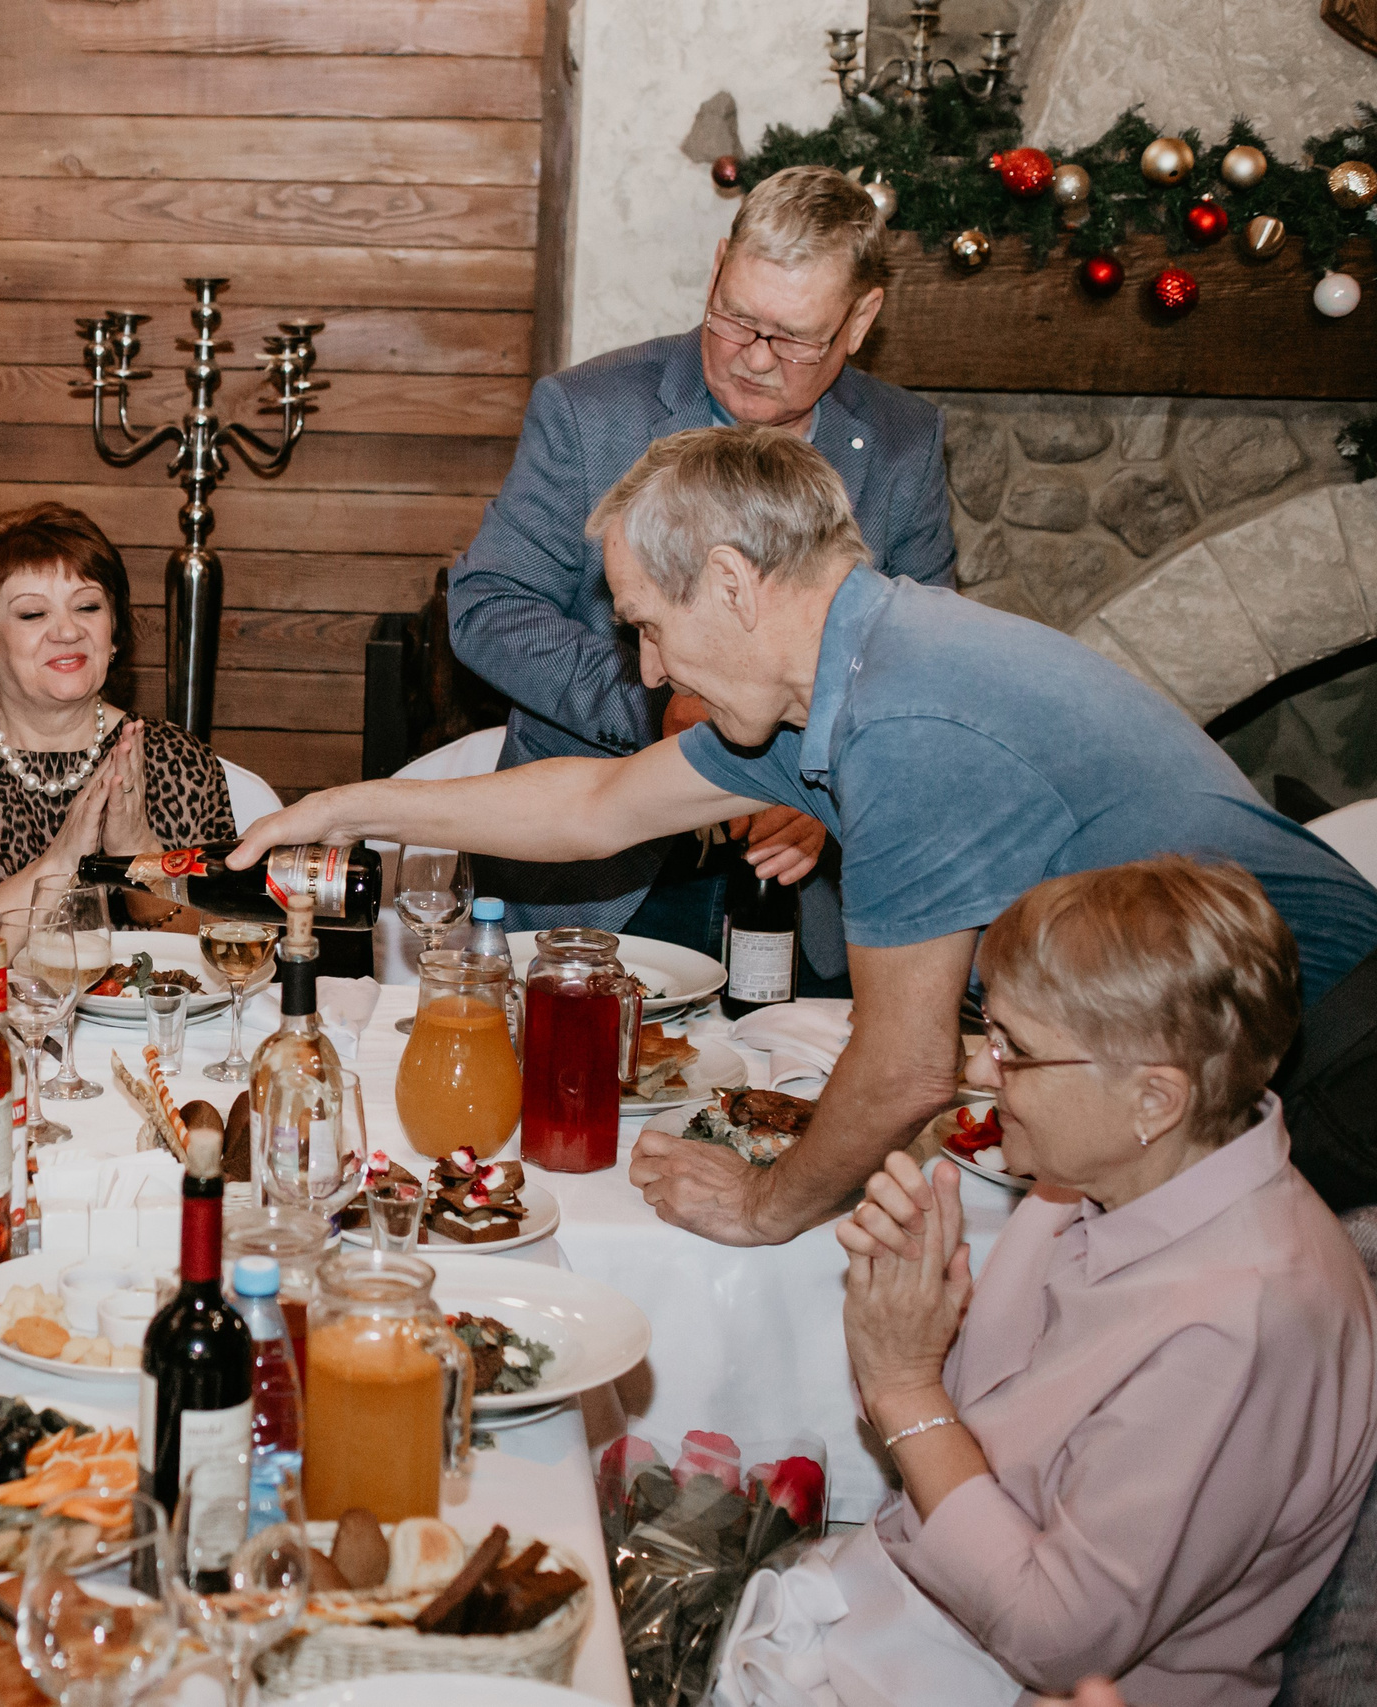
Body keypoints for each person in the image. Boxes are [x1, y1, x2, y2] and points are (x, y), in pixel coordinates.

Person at [232, 425, 1377, 1240]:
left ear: (730, 582)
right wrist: (348, 807)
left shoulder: (898, 718)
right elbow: (593, 808)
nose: (647, 670)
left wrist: (763, 1206)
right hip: (1216, 1047)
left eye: (647, 626)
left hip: (1335, 1054)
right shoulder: (844, 671)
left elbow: (905, 1065)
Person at [713, 859, 1377, 1707]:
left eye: (1017, 1049)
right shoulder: (1088, 1184)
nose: (984, 1072)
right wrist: (909, 1328)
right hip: (891, 1624)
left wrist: (904, 1384)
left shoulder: (1245, 1322)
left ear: (1154, 1100)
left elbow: (1056, 1637)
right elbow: (955, 1446)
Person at [450, 164, 955, 984]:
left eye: (793, 338)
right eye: (735, 317)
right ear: (719, 264)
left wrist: (824, 788)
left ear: (861, 320)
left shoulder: (906, 442)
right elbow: (487, 607)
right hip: (603, 879)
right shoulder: (588, 409)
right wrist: (662, 707)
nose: (754, 357)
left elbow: (919, 661)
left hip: (802, 880)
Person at [0, 502, 235, 970]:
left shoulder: (179, 760)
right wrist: (56, 865)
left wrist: (138, 853)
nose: (68, 630)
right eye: (33, 614)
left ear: (114, 634)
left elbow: (227, 948)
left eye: (88, 607)